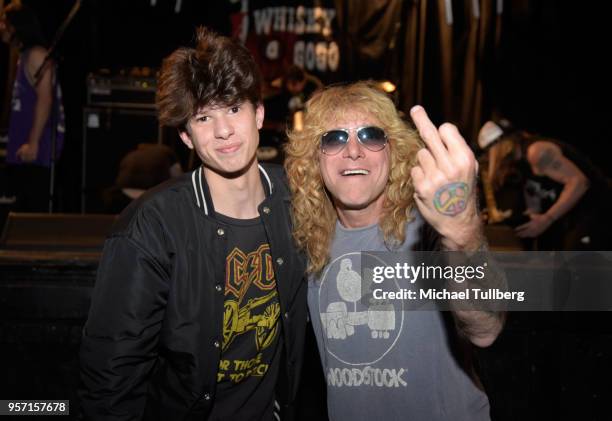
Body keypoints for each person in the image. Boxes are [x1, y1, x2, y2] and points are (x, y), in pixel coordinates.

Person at [79, 27, 307, 420]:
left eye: (234, 108)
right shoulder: (153, 225)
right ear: (186, 136)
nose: (223, 131)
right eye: (204, 117)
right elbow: (112, 374)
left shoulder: (299, 200)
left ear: (260, 114)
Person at [285, 82, 504, 420]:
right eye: (335, 138)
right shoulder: (307, 240)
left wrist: (461, 233)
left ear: (395, 151)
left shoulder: (426, 229)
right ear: (314, 159)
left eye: (371, 136)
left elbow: (486, 327)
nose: (354, 151)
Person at [478, 119, 612, 250]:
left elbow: (579, 182)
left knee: (577, 264)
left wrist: (547, 219)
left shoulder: (537, 151)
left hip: (597, 210)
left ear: (499, 147)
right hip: (576, 216)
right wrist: (529, 217)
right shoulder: (521, 163)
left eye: (490, 153)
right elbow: (534, 190)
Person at [0, 2, 65, 211]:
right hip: (24, 146)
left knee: (30, 210)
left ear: (16, 26)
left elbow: (45, 99)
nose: (1, 27)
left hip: (35, 149)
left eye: (4, 22)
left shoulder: (36, 55)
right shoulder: (25, 55)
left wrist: (34, 143)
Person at [102, 143, 182, 214]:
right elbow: (177, 178)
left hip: (124, 188)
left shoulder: (132, 154)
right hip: (148, 187)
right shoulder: (167, 152)